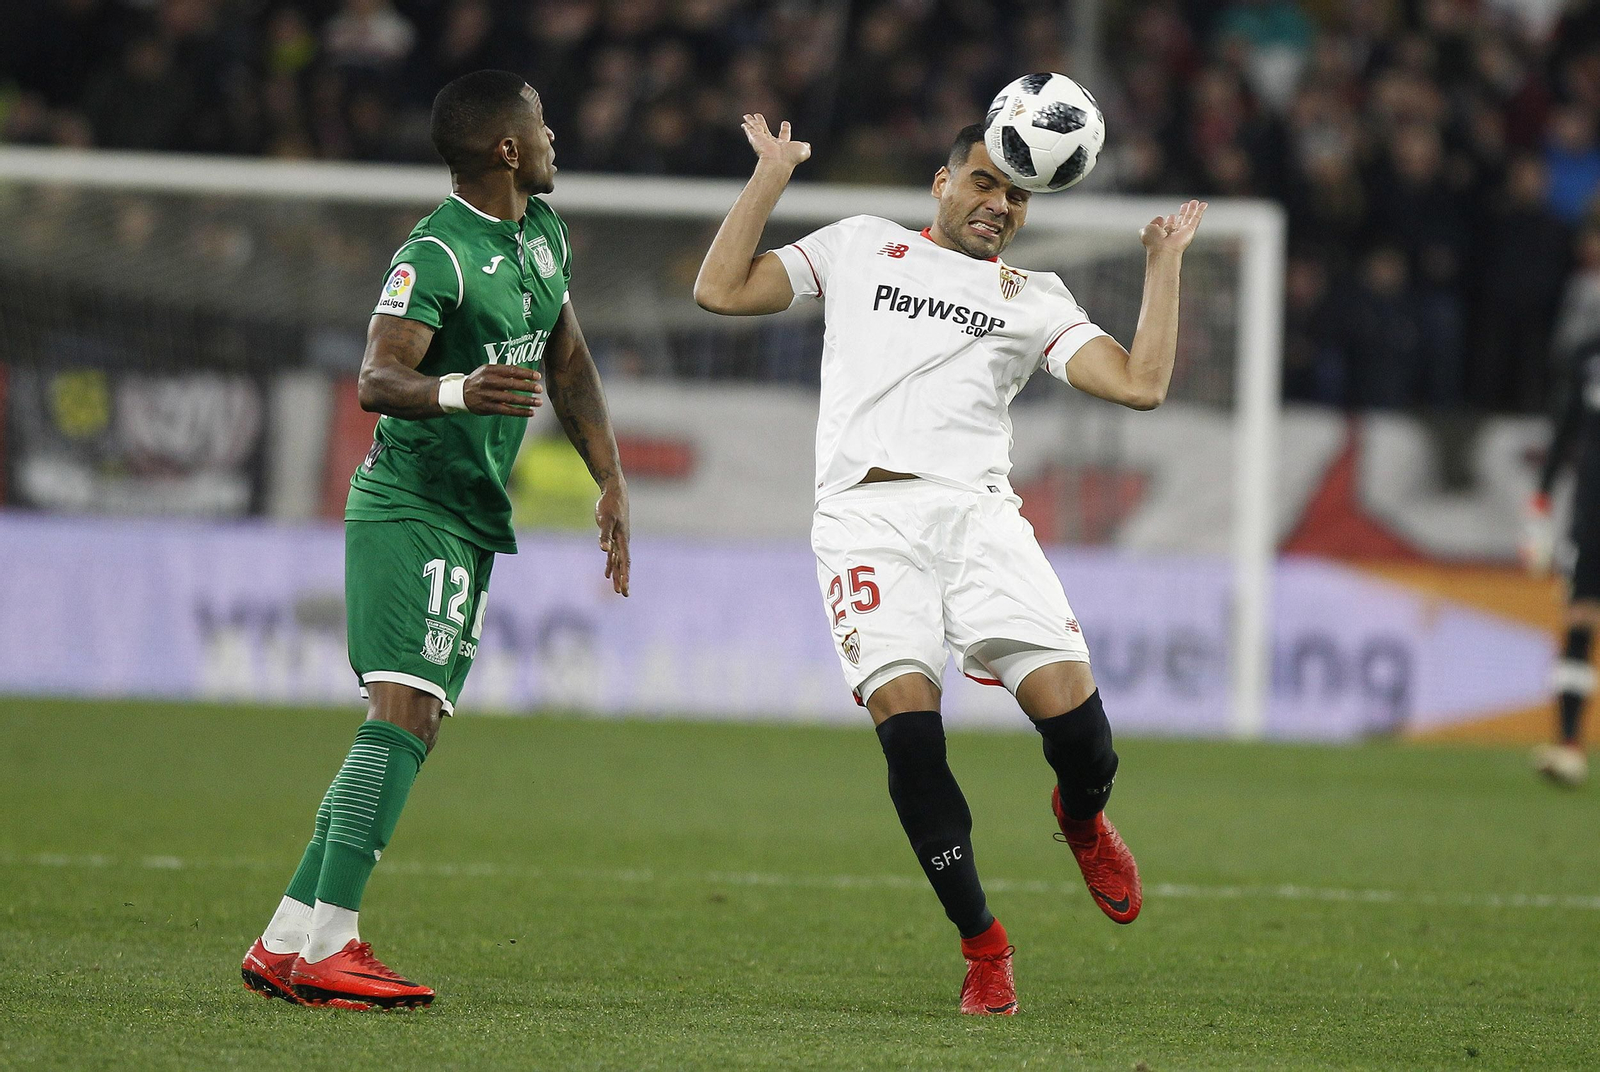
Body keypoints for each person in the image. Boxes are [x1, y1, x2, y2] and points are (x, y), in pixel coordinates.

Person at [694, 113, 1204, 1015]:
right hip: (863, 521)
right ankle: (985, 948)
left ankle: (1081, 818)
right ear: (942, 182)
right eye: (983, 181)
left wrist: (1163, 264)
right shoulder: (859, 247)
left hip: (979, 520)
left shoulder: (1034, 296)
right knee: (911, 734)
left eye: (1015, 193)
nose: (998, 203)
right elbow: (722, 291)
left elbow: (1142, 385)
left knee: (1082, 736)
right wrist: (771, 175)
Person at [240, 69, 630, 1009]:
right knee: (404, 713)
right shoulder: (439, 252)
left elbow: (567, 363)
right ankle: (334, 942)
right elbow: (378, 375)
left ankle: (287, 936)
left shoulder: (543, 237)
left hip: (468, 514)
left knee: (407, 718)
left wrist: (610, 477)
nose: (552, 137)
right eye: (540, 124)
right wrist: (458, 390)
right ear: (506, 148)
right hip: (409, 504)